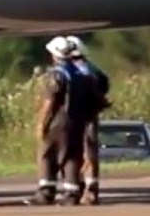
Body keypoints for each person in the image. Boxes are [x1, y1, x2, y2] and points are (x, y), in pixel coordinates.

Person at [33, 35, 111, 205]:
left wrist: (41, 123)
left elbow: (50, 101)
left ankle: (46, 193)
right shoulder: (84, 74)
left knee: (47, 155)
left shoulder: (58, 74)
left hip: (58, 121)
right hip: (79, 121)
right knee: (73, 157)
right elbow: (101, 95)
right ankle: (72, 193)